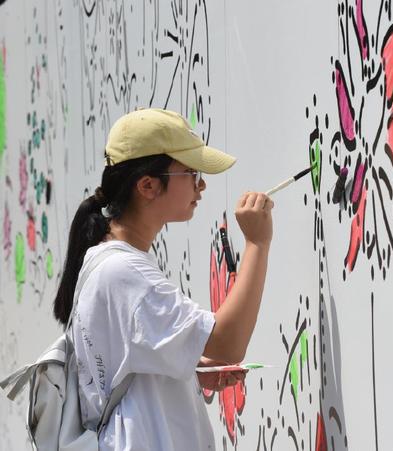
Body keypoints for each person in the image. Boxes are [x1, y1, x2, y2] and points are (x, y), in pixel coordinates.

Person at [52, 108, 274, 450]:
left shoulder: (108, 261)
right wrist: (257, 243)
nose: (201, 185)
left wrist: (194, 365)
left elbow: (127, 364)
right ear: (148, 185)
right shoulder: (125, 273)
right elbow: (229, 342)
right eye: (191, 172)